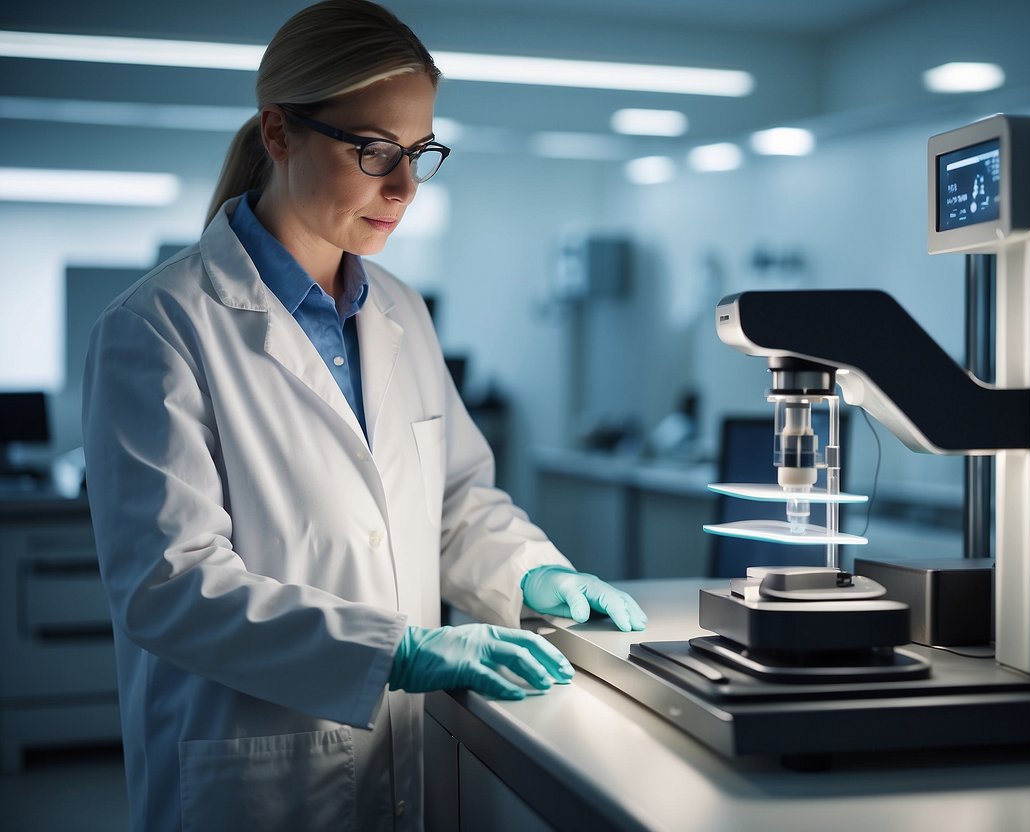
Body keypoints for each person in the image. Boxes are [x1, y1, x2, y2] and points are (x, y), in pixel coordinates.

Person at [81, 2, 645, 830]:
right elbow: (173, 587)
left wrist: (527, 568)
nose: (405, 186)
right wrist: (398, 650)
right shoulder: (159, 327)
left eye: (418, 153)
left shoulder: (401, 314)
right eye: (375, 150)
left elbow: (453, 498)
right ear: (278, 133)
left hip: (401, 757)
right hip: (253, 777)